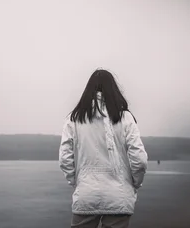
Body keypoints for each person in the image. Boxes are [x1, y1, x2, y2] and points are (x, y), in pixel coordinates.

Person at [59, 69, 148, 228]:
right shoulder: (125, 117)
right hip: (119, 195)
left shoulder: (73, 119)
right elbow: (139, 160)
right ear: (114, 90)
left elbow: (65, 159)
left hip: (86, 194)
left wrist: (77, 182)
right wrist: (135, 183)